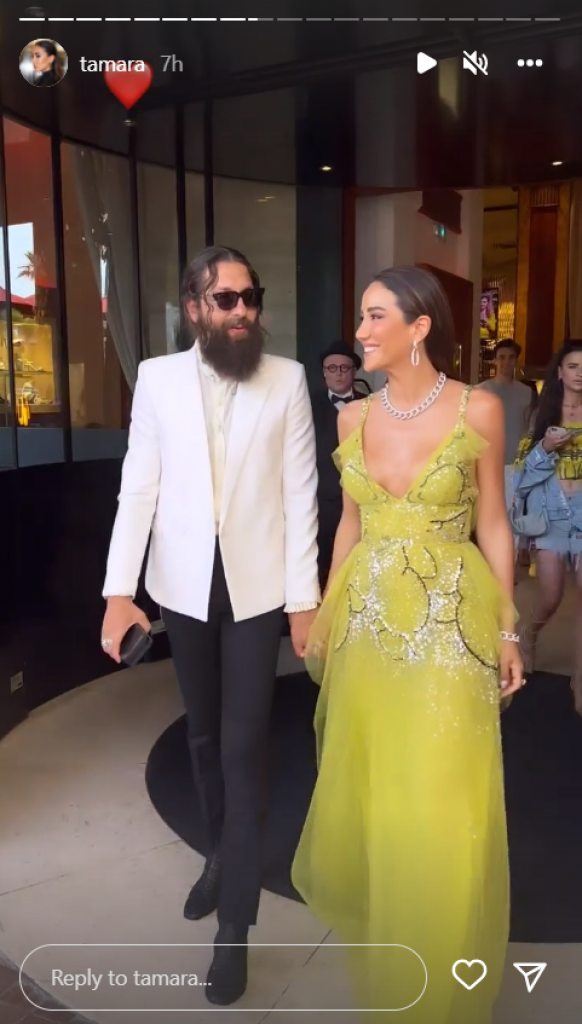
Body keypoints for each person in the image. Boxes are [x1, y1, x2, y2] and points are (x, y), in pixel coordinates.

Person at [292, 266, 523, 1023]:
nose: (359, 332)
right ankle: (397, 961)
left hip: (452, 624)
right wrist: (324, 610)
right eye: (361, 317)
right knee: (380, 788)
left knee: (445, 794)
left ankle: (443, 975)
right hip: (368, 625)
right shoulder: (352, 419)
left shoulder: (478, 407)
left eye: (375, 316)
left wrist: (509, 625)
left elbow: (494, 522)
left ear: (419, 326)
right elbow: (350, 526)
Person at [101, 246, 320, 1005]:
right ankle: (222, 855)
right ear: (194, 307)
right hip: (182, 588)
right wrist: (119, 592)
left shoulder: (286, 379)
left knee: (243, 742)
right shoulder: (158, 379)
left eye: (250, 297)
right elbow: (138, 488)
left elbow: (301, 496)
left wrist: (303, 598)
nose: (242, 311)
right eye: (226, 299)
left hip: (257, 590)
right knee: (202, 735)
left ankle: (235, 926)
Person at [514, 341, 582, 711]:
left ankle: (579, 678)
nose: (580, 373)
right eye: (573, 366)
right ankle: (529, 632)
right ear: (560, 372)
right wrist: (545, 448)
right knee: (551, 594)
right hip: (552, 513)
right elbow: (522, 472)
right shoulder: (543, 414)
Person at [311, 341, 368, 587]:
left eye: (344, 368)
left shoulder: (371, 404)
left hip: (360, 496)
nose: (338, 373)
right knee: (320, 562)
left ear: (354, 372)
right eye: (332, 368)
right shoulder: (308, 405)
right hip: (320, 497)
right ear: (324, 372)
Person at [477, 339, 533, 512]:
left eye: (511, 357)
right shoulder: (479, 391)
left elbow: (531, 428)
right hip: (485, 462)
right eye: (501, 357)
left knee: (512, 514)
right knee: (485, 512)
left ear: (516, 360)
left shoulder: (527, 393)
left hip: (515, 465)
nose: (506, 362)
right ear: (495, 360)